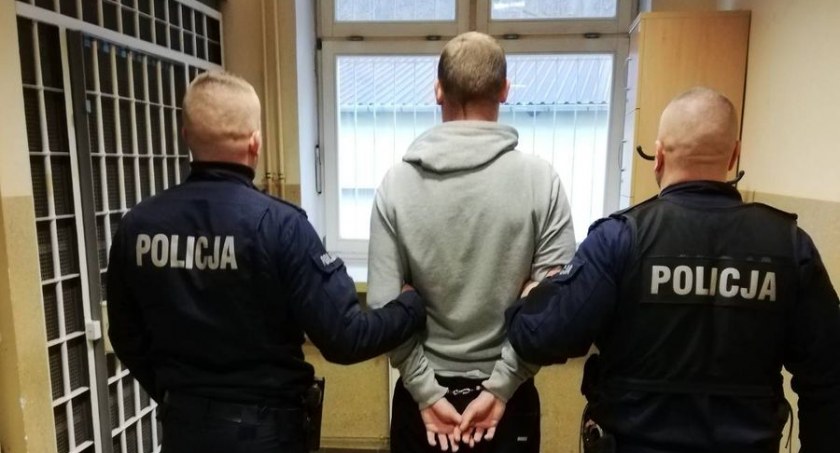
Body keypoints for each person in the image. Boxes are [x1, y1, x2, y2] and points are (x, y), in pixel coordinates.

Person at [106, 71, 427, 453]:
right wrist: (411, 305)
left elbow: (125, 335)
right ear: (255, 143)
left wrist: (179, 396)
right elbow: (345, 338)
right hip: (266, 433)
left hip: (183, 430)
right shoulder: (280, 226)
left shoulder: (138, 226)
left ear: (186, 135)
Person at [506, 87, 840, 453]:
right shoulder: (791, 247)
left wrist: (532, 297)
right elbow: (828, 380)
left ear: (659, 156)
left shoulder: (620, 239)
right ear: (734, 155)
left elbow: (542, 337)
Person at [367, 31, 576, 452]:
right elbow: (554, 310)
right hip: (508, 405)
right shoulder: (542, 181)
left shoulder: (395, 185)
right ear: (505, 90)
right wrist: (502, 386)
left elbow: (383, 308)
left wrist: (426, 393)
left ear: (437, 90)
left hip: (422, 408)